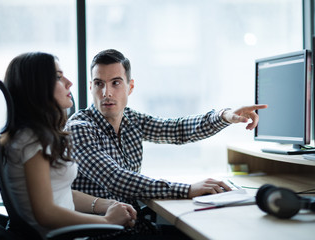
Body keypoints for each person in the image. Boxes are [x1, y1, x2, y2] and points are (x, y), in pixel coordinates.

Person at [65, 49, 267, 238]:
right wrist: (187, 189)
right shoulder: (80, 127)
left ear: (130, 86)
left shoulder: (131, 120)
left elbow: (177, 129)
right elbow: (116, 179)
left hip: (134, 228)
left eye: (115, 83)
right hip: (104, 233)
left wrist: (224, 116)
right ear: (91, 87)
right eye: (99, 83)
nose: (106, 92)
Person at [2, 52, 137, 239]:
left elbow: (58, 192)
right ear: (38, 87)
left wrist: (105, 205)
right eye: (58, 77)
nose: (69, 83)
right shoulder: (30, 141)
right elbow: (46, 213)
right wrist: (107, 222)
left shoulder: (33, 135)